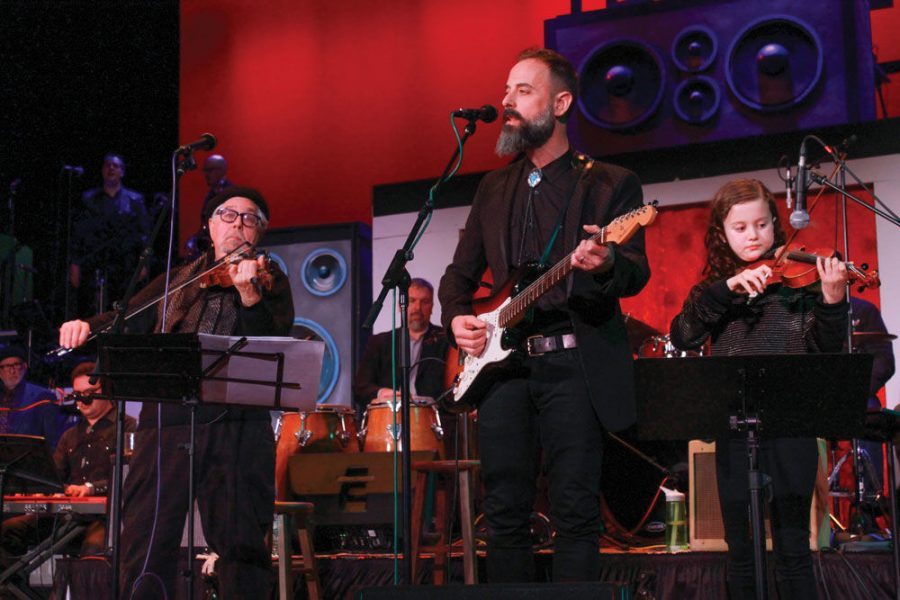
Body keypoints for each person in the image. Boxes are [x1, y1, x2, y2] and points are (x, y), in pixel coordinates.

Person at [438, 47, 650, 582]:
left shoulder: (608, 183)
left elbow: (635, 272)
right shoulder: (493, 186)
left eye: (522, 91)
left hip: (573, 365)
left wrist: (603, 264)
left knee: (575, 511)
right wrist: (458, 317)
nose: (507, 101)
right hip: (502, 370)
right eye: (507, 90)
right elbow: (458, 277)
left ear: (560, 103)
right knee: (504, 512)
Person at [58, 186, 294, 599]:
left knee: (241, 542)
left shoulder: (270, 280)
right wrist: (85, 327)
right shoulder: (180, 276)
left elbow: (272, 342)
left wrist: (249, 296)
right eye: (228, 215)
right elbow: (125, 317)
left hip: (236, 424)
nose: (238, 223)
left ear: (261, 232)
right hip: (167, 419)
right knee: (147, 536)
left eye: (250, 218)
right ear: (209, 226)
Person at [669, 178, 849, 599]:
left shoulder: (797, 286)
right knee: (741, 553)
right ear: (722, 233)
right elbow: (683, 336)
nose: (753, 236)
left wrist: (832, 302)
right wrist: (724, 290)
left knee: (793, 550)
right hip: (734, 429)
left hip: (790, 427)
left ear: (775, 226)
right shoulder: (713, 293)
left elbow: (825, 351)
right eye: (741, 227)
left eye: (762, 225)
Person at [1, 361, 137, 571]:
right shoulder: (70, 435)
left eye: (89, 393)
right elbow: (54, 476)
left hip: (106, 518)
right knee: (7, 531)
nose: (82, 400)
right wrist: (43, 490)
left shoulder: (127, 426)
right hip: (66, 517)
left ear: (107, 392)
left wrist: (91, 488)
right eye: (77, 395)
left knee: (94, 549)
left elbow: (131, 475)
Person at [353, 278, 453, 453]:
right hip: (386, 424)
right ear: (401, 306)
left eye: (425, 302)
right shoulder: (380, 342)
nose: (417, 308)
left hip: (432, 425)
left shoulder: (446, 341)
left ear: (432, 307)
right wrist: (383, 393)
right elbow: (360, 388)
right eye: (412, 301)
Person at [69, 153, 151, 316]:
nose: (111, 168)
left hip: (126, 264)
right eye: (107, 165)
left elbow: (144, 234)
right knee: (94, 308)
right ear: (102, 171)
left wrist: (145, 264)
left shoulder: (135, 200)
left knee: (125, 308)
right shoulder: (89, 199)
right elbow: (79, 234)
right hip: (96, 263)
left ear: (122, 172)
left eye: (116, 166)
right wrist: (75, 264)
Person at [0, 344, 68, 446]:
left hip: (28, 458)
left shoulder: (43, 396)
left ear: (25, 367)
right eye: (6, 367)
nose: (12, 371)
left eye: (16, 365)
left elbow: (52, 440)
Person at [185, 155, 234, 258]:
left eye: (210, 170)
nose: (206, 175)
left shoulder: (231, 193)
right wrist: (194, 239)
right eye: (205, 171)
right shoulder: (211, 194)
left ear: (221, 170)